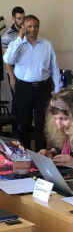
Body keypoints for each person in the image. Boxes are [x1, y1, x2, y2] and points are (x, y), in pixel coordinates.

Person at [3, 14, 60, 151]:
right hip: (24, 88)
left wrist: (58, 91)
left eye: (36, 26)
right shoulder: (17, 44)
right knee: (23, 124)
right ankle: (25, 155)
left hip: (43, 88)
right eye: (30, 26)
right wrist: (19, 39)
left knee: (43, 124)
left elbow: (54, 68)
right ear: (23, 27)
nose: (33, 29)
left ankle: (42, 154)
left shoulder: (46, 44)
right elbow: (8, 60)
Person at [1, 6, 25, 91]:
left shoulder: (28, 31)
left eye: (23, 18)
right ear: (13, 19)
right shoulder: (7, 36)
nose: (22, 21)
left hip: (26, 71)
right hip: (14, 72)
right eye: (19, 18)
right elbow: (7, 59)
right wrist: (12, 77)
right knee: (17, 99)